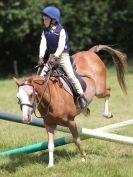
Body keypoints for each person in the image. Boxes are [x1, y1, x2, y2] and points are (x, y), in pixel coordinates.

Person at [37, 5, 88, 109]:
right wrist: (41, 57)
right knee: (41, 77)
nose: (44, 21)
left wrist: (55, 57)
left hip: (63, 57)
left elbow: (60, 47)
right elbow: (43, 44)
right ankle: (38, 98)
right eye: (43, 19)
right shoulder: (45, 31)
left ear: (53, 20)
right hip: (51, 57)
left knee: (71, 76)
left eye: (45, 19)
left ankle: (81, 96)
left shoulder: (61, 30)